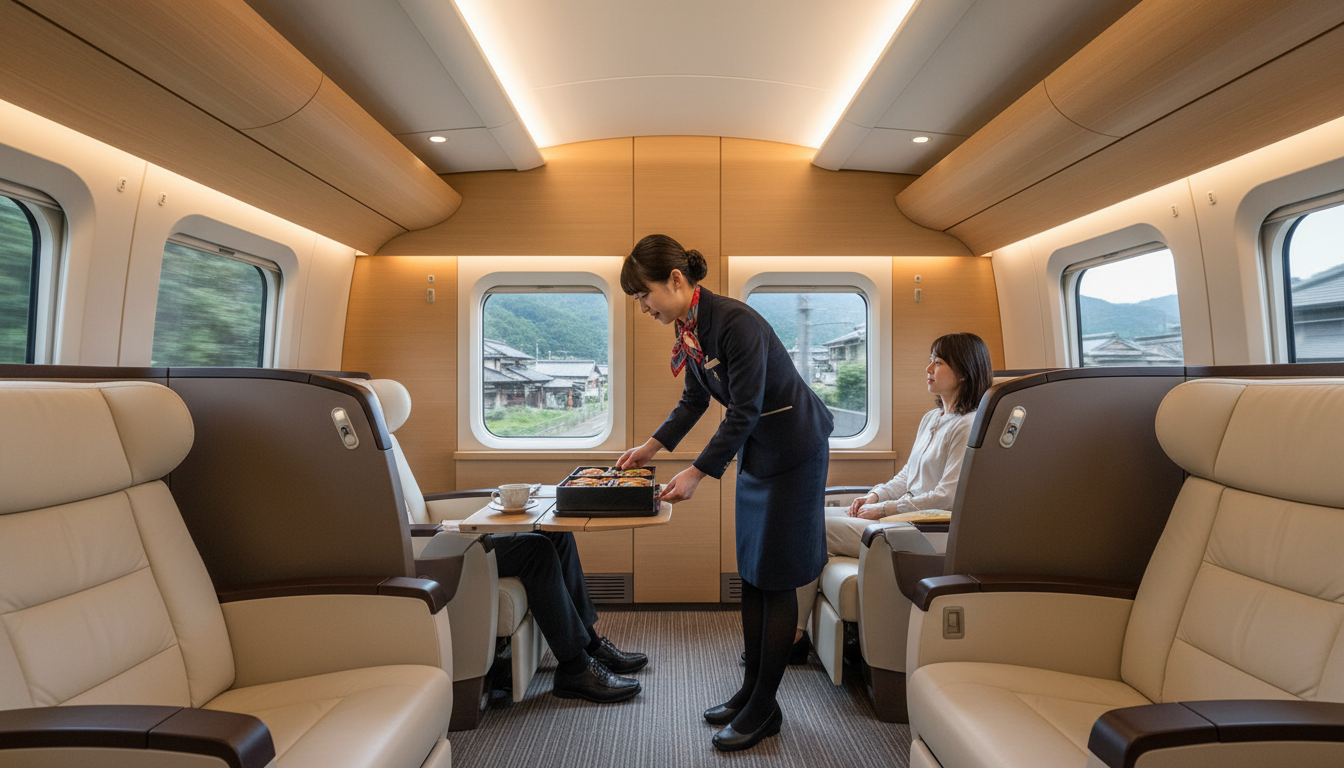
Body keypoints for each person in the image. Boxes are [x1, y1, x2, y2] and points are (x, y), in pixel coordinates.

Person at [616, 234, 834, 752]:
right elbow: (694, 400)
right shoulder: (693, 329)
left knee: (775, 577)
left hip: (795, 453)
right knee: (753, 573)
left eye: (643, 294)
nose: (642, 306)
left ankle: (765, 708)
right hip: (760, 455)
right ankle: (751, 692)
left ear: (675, 280)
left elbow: (745, 409)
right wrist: (651, 446)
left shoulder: (734, 323)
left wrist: (696, 472)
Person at [797, 332, 991, 631]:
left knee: (807, 527)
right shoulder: (932, 418)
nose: (928, 370)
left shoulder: (968, 426)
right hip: (899, 516)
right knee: (808, 515)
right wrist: (875, 496)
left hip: (919, 528)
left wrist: (886, 510)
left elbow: (947, 498)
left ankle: (792, 634)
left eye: (937, 363)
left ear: (964, 373)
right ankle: (796, 629)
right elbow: (906, 476)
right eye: (930, 361)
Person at [491, 531, 648, 702]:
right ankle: (574, 668)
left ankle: (591, 645)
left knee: (558, 534)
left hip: (471, 539)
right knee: (537, 548)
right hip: (463, 548)